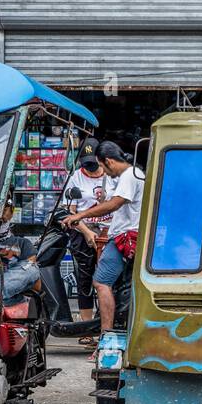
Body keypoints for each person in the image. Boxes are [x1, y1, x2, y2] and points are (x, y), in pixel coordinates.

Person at [63, 140, 143, 336]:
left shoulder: (129, 176)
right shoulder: (133, 174)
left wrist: (79, 216)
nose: (105, 173)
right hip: (121, 236)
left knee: (101, 282)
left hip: (124, 237)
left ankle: (106, 336)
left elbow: (113, 205)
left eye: (104, 168)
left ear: (109, 161)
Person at [63, 138, 116, 328]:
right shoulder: (75, 177)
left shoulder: (113, 175)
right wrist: (86, 232)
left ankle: (106, 323)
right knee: (85, 278)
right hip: (82, 231)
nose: (90, 169)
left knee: (109, 277)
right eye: (86, 165)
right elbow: (70, 210)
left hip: (109, 232)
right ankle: (85, 325)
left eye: (93, 164)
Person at [0, 200, 40, 303]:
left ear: (11, 213)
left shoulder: (23, 244)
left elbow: (36, 284)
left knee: (32, 268)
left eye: (4, 209)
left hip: (4, 283)